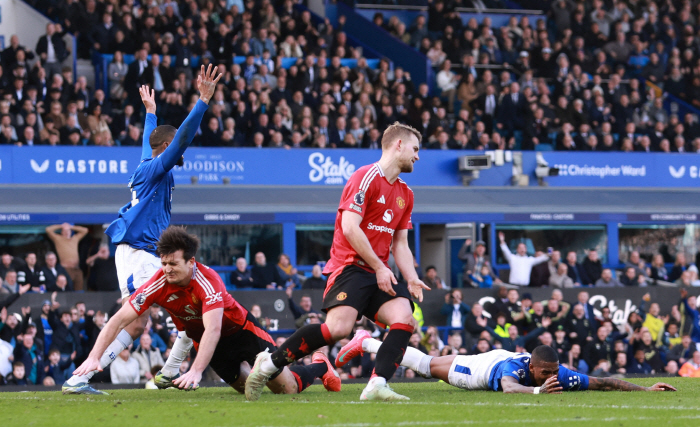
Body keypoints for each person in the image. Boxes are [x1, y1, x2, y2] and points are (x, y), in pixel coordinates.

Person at [63, 65, 221, 395]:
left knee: (135, 322)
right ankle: (170, 370)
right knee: (182, 303)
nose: (182, 150)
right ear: (164, 148)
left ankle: (81, 378)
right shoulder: (157, 169)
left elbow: (152, 142)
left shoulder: (145, 165)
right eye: (175, 146)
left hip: (132, 250)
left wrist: (151, 112)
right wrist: (203, 102)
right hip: (142, 253)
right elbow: (180, 138)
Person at [244, 122, 428, 402]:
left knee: (405, 319)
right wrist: (380, 267)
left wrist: (411, 277)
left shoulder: (406, 194)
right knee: (337, 330)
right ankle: (269, 363)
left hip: (378, 271)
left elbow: (400, 243)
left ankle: (377, 384)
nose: (418, 156)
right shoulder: (364, 177)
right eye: (415, 149)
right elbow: (350, 227)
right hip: (350, 267)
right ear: (398, 145)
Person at [74, 227, 340, 395]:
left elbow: (213, 328)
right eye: (164, 263)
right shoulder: (157, 282)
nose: (167, 269)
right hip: (214, 347)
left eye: (173, 264)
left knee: (286, 389)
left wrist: (195, 371)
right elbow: (119, 319)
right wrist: (94, 358)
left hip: (242, 332)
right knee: (249, 389)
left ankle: (319, 365)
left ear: (191, 261)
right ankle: (267, 373)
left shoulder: (208, 280)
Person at [337, 339, 675, 393]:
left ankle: (367, 341)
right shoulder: (518, 371)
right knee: (426, 367)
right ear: (534, 365)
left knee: (427, 360)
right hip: (482, 369)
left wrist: (646, 387)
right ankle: (367, 342)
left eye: (554, 372)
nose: (552, 377)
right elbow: (511, 388)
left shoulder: (558, 373)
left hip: (492, 356)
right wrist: (537, 390)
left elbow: (605, 382)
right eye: (546, 373)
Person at [45, 223, 89, 291]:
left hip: (76, 269)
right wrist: (61, 226)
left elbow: (85, 230)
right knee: (68, 289)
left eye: (68, 231)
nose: (66, 232)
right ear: (62, 232)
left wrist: (71, 227)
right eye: (64, 231)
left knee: (79, 290)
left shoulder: (75, 238)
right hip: (66, 269)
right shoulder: (58, 239)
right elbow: (48, 230)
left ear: (71, 232)